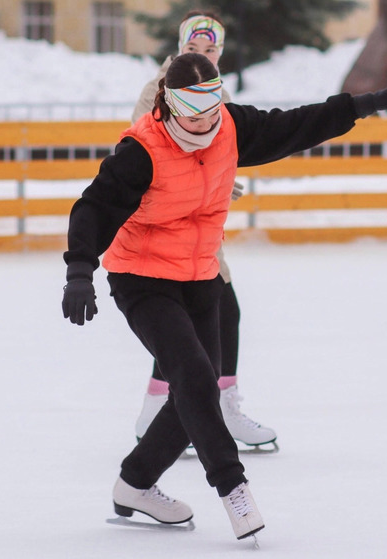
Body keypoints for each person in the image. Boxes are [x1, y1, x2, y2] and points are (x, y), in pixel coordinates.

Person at [62, 52, 387, 540]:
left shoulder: (229, 127)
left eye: (213, 103)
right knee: (192, 376)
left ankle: (135, 483)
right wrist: (80, 269)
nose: (207, 118)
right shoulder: (142, 149)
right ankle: (234, 490)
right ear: (169, 102)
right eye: (195, 108)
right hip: (142, 277)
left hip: (202, 276)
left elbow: (296, 125)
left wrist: (361, 105)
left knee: (196, 392)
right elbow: (94, 208)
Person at [130, 10, 278, 452]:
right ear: (180, 49)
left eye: (210, 50)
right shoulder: (158, 91)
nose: (203, 56)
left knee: (209, 316)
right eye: (194, 49)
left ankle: (182, 407)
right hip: (167, 225)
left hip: (201, 226)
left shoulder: (217, 91)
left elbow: (219, 146)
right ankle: (183, 408)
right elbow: (139, 151)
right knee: (201, 318)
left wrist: (222, 180)